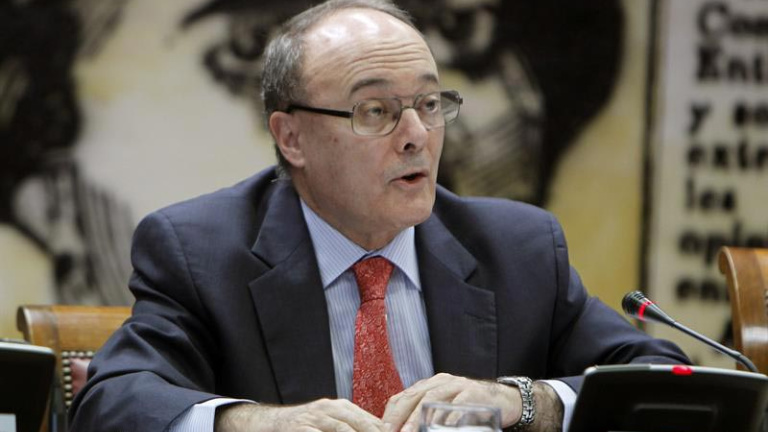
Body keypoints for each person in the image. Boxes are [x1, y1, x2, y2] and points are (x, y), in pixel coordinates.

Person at [68, 1, 689, 431]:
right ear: (292, 138)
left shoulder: (516, 248)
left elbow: (668, 383)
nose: (417, 134)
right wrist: (254, 423)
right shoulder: (201, 252)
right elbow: (112, 403)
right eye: (376, 112)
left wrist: (521, 402)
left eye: (429, 103)